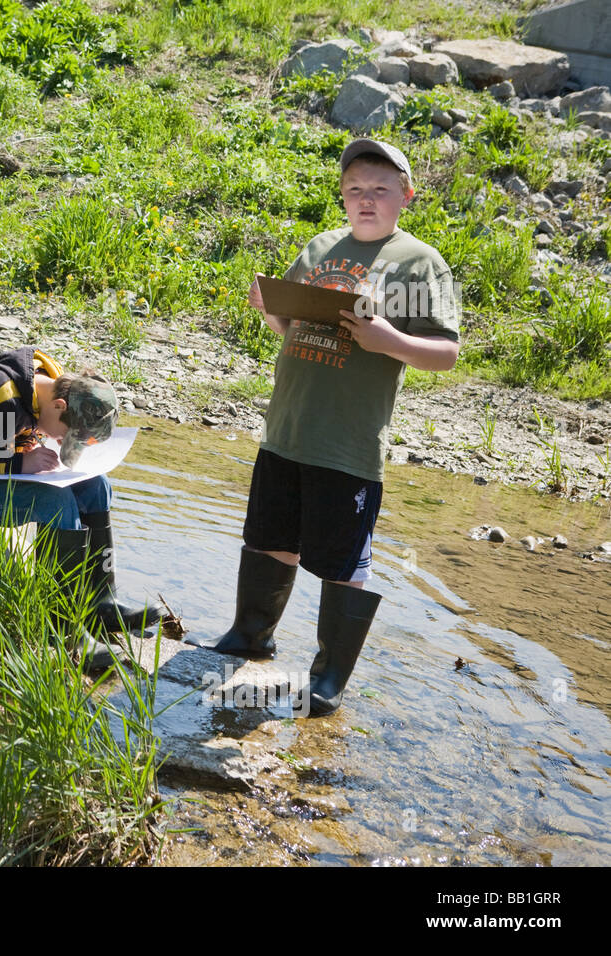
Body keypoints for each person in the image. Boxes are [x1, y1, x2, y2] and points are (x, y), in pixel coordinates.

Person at [188, 139, 460, 716]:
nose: (367, 200)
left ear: (406, 195)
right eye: (356, 189)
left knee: (342, 560)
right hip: (288, 428)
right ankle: (250, 636)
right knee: (269, 537)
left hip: (348, 442)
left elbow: (445, 353)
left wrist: (391, 340)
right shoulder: (319, 248)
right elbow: (289, 328)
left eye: (381, 190)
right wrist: (268, 308)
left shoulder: (418, 262)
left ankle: (328, 676)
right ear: (342, 194)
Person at [0, 346, 161, 634]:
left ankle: (102, 602)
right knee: (55, 501)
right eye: (64, 435)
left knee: (97, 486)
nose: (60, 441)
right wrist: (18, 462)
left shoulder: (49, 385)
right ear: (59, 405)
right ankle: (61, 625)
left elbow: (23, 429)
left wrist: (26, 449)